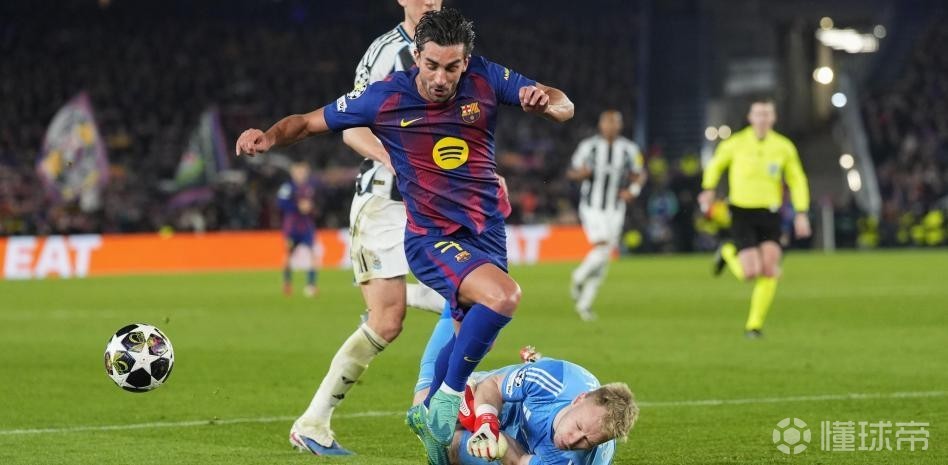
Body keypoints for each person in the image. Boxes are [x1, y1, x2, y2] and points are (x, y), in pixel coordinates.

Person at [235, 9, 574, 464]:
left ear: (466, 61)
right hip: (430, 235)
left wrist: (546, 103)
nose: (441, 78)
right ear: (416, 57)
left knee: (474, 334)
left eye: (452, 67)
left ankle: (430, 418)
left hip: (486, 230)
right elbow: (309, 123)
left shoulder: (486, 76)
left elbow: (563, 103)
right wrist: (268, 137)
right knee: (503, 297)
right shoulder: (385, 96)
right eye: (431, 65)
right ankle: (444, 400)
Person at [286, 0, 452, 456]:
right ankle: (313, 423)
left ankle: (438, 404)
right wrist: (392, 158)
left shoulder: (456, 53)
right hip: (384, 203)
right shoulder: (384, 53)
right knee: (388, 321)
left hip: (433, 204)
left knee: (470, 298)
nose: (430, 1)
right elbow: (350, 128)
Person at [698, 97, 811, 338]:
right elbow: (715, 165)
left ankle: (754, 326)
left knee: (769, 270)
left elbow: (797, 178)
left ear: (773, 118)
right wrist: (708, 188)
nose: (762, 119)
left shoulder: (783, 147)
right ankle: (727, 251)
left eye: (766, 114)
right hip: (742, 212)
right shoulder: (735, 143)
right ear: (750, 118)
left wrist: (801, 212)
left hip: (770, 213)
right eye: (758, 114)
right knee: (749, 273)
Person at [442, 357, 638, 465]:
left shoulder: (569, 462)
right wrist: (486, 422)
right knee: (442, 403)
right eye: (578, 427)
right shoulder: (553, 379)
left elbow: (518, 460)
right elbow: (493, 385)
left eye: (587, 441)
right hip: (523, 401)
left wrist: (497, 440)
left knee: (452, 446)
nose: (572, 441)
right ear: (578, 399)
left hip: (531, 450)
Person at [567, 110, 646, 321]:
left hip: (616, 208)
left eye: (614, 123)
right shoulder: (588, 147)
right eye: (607, 122)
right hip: (592, 207)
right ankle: (578, 277)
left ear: (620, 125)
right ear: (601, 125)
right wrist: (581, 174)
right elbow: (571, 172)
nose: (610, 126)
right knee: (602, 248)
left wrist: (633, 191)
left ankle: (585, 304)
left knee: (605, 256)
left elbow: (639, 174)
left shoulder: (629, 149)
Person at [277, 161, 320, 297]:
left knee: (312, 254)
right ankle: (287, 283)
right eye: (298, 172)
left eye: (303, 172)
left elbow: (318, 204)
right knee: (288, 254)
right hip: (292, 228)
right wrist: (298, 207)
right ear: (293, 173)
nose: (300, 174)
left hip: (307, 227)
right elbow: (280, 204)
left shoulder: (311, 187)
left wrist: (311, 207)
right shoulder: (287, 187)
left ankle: (311, 284)